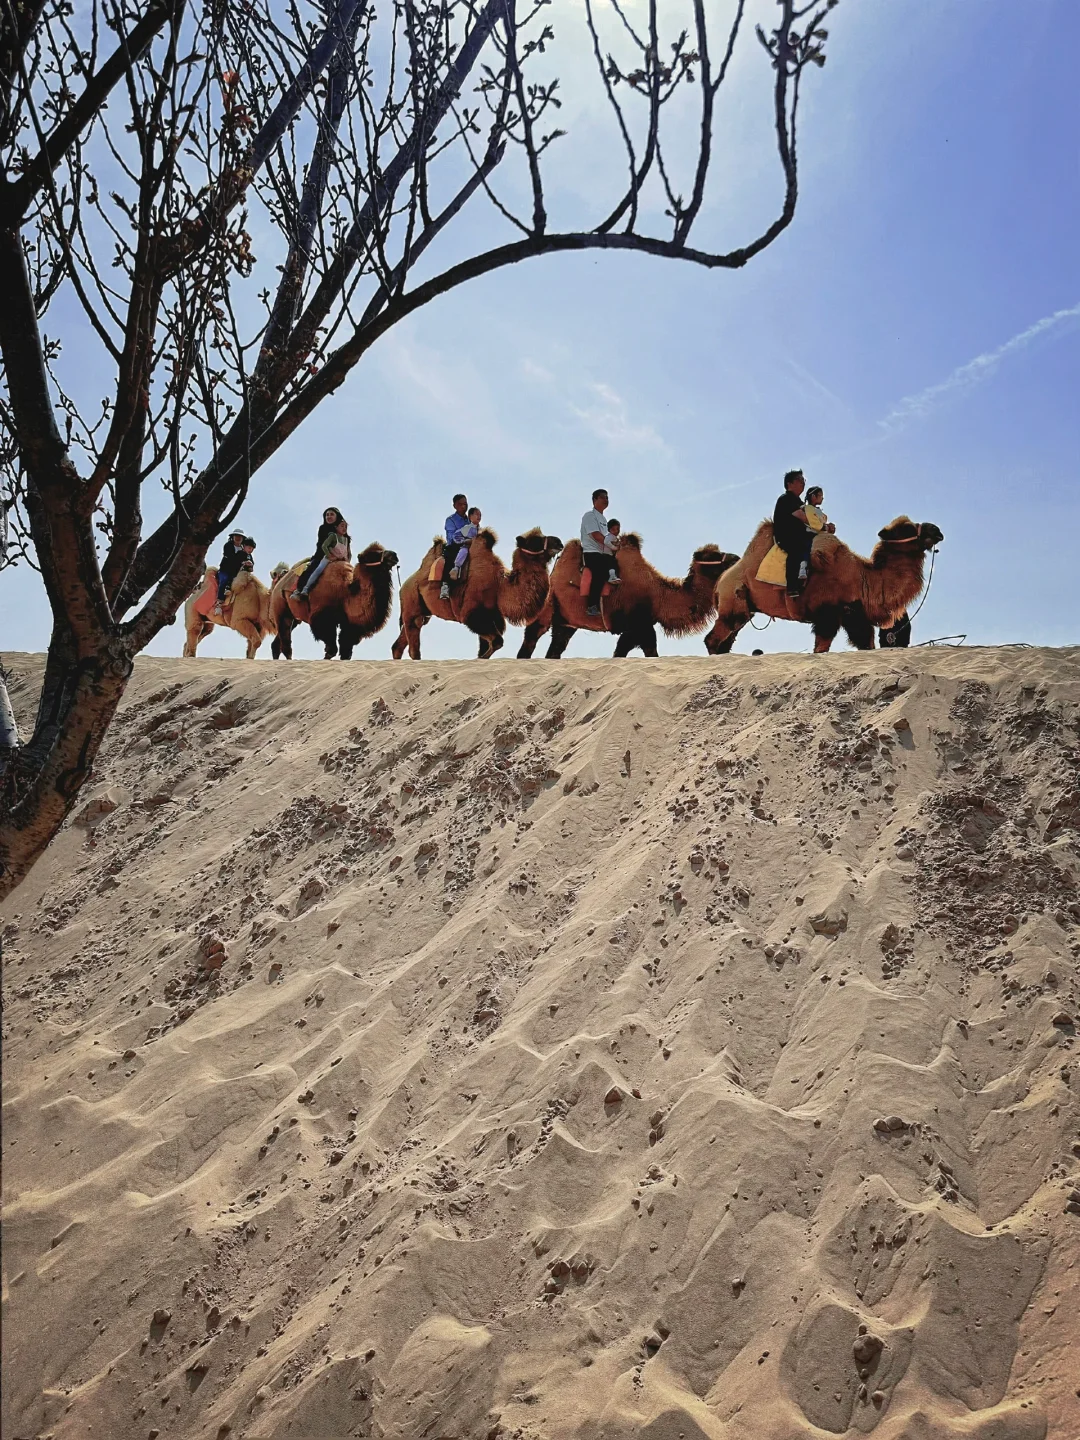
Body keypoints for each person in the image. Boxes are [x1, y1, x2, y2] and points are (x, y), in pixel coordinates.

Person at [772, 470, 810, 598]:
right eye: (799, 480)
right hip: (787, 536)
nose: (803, 483)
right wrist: (822, 525)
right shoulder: (787, 499)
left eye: (803, 480)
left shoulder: (799, 502)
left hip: (801, 535)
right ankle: (792, 586)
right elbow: (803, 517)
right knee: (797, 550)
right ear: (789, 483)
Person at [292, 507, 345, 598]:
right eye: (327, 515)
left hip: (340, 558)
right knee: (312, 568)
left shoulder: (342, 531)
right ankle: (300, 590)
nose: (329, 516)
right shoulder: (323, 528)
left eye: (332, 514)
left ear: (337, 516)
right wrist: (329, 555)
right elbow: (322, 545)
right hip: (322, 555)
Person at [580, 487, 616, 617]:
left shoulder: (604, 520)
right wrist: (612, 545)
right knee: (601, 571)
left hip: (603, 553)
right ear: (595, 500)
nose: (606, 499)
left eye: (607, 497)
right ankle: (592, 605)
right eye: (603, 497)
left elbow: (607, 537)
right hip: (591, 552)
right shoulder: (590, 516)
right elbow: (596, 535)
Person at [440, 493, 471, 600]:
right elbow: (451, 537)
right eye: (460, 504)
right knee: (451, 555)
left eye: (465, 504)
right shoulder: (450, 520)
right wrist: (465, 540)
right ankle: (445, 585)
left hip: (470, 545)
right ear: (455, 506)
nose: (463, 506)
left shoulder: (470, 520)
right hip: (455, 545)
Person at [213, 529, 249, 615]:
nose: (238, 538)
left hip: (236, 573)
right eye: (236, 536)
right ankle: (219, 604)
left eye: (240, 536)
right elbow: (230, 557)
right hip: (225, 570)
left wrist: (249, 563)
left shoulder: (244, 550)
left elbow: (248, 559)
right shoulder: (228, 546)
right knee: (224, 580)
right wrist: (241, 559)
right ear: (232, 537)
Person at [450, 507, 481, 579]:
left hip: (478, 549)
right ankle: (456, 568)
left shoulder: (481, 530)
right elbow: (456, 535)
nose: (479, 516)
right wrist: (465, 541)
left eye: (480, 515)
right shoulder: (467, 528)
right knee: (464, 551)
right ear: (470, 516)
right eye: (476, 514)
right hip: (467, 546)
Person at [604, 517, 622, 585]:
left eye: (618, 529)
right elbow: (606, 542)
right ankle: (611, 577)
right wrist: (614, 548)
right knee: (611, 564)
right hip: (607, 555)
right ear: (609, 530)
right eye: (613, 529)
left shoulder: (614, 538)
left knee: (615, 563)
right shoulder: (610, 536)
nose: (616, 531)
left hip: (610, 555)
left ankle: (614, 576)